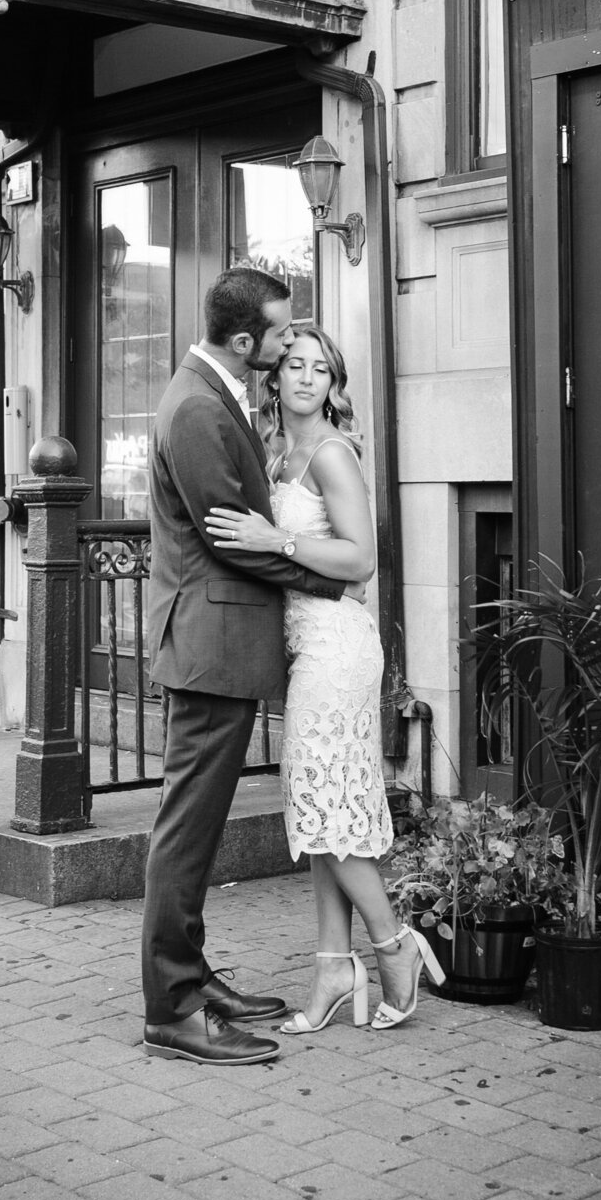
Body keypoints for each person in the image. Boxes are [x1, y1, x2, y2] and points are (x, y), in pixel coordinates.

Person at [206, 327, 444, 1034]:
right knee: (319, 812)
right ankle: (333, 967)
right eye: (295, 365)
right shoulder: (278, 451)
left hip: (337, 645)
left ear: (333, 383)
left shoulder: (333, 453)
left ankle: (395, 944)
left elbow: (362, 558)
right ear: (275, 378)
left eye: (321, 368)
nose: (306, 377)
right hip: (305, 646)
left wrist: (274, 538)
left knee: (323, 806)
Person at [141, 268, 347, 1067]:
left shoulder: (213, 387)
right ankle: (173, 1007)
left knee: (196, 826)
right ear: (241, 341)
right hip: (207, 648)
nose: (291, 339)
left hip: (218, 647)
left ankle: (192, 976)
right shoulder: (195, 405)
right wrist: (329, 579)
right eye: (280, 331)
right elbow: (235, 536)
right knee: (185, 833)